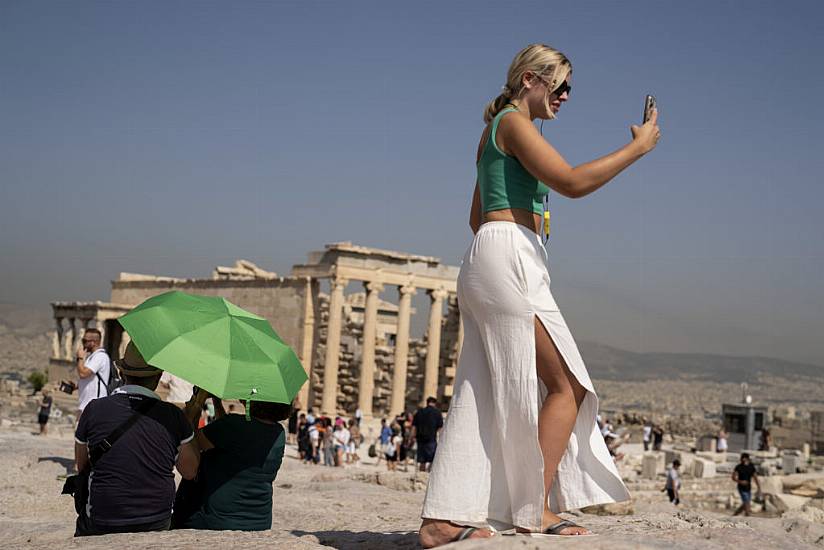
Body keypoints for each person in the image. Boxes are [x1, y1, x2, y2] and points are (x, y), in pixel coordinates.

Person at [420, 43, 658, 546]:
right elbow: (571, 182)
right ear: (531, 79)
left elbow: (474, 215)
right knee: (567, 386)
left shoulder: (494, 130)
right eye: (561, 84)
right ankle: (537, 508)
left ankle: (447, 517)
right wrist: (637, 148)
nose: (567, 96)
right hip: (509, 257)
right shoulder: (512, 123)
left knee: (482, 387)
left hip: (496, 252)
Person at [73, 342, 199, 536]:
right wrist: (190, 422)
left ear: (122, 373)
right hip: (156, 518)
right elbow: (190, 472)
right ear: (157, 378)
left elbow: (81, 465)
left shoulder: (93, 409)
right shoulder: (173, 415)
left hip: (103, 517)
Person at [173, 394, 289, 531]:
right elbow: (227, 436)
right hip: (258, 518)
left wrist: (196, 406)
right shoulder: (278, 432)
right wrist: (217, 403)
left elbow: (192, 441)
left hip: (216, 519)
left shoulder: (234, 425)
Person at [75, 328, 111, 415]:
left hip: (94, 405)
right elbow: (91, 378)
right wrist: (76, 386)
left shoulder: (100, 356)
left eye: (84, 341)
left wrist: (80, 358)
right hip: (86, 405)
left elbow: (83, 373)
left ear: (93, 342)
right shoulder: (92, 357)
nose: (83, 343)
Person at [412, 397, 444, 472]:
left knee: (422, 461)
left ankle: (421, 476)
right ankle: (429, 476)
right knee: (432, 460)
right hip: (431, 439)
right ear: (434, 403)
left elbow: (414, 427)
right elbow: (440, 428)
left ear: (427, 402)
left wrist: (412, 437)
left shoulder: (419, 412)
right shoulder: (437, 413)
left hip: (420, 440)